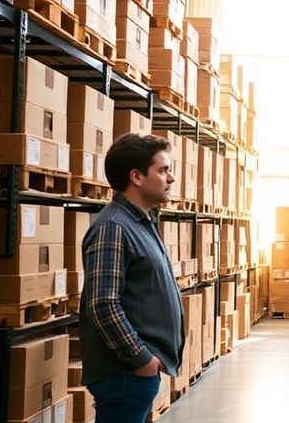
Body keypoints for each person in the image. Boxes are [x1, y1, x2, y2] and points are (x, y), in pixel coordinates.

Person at [79, 133, 184, 423]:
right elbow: (102, 304)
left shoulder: (141, 222)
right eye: (163, 170)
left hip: (132, 372)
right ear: (136, 177)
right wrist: (142, 360)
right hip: (124, 371)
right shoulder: (113, 228)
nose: (171, 178)